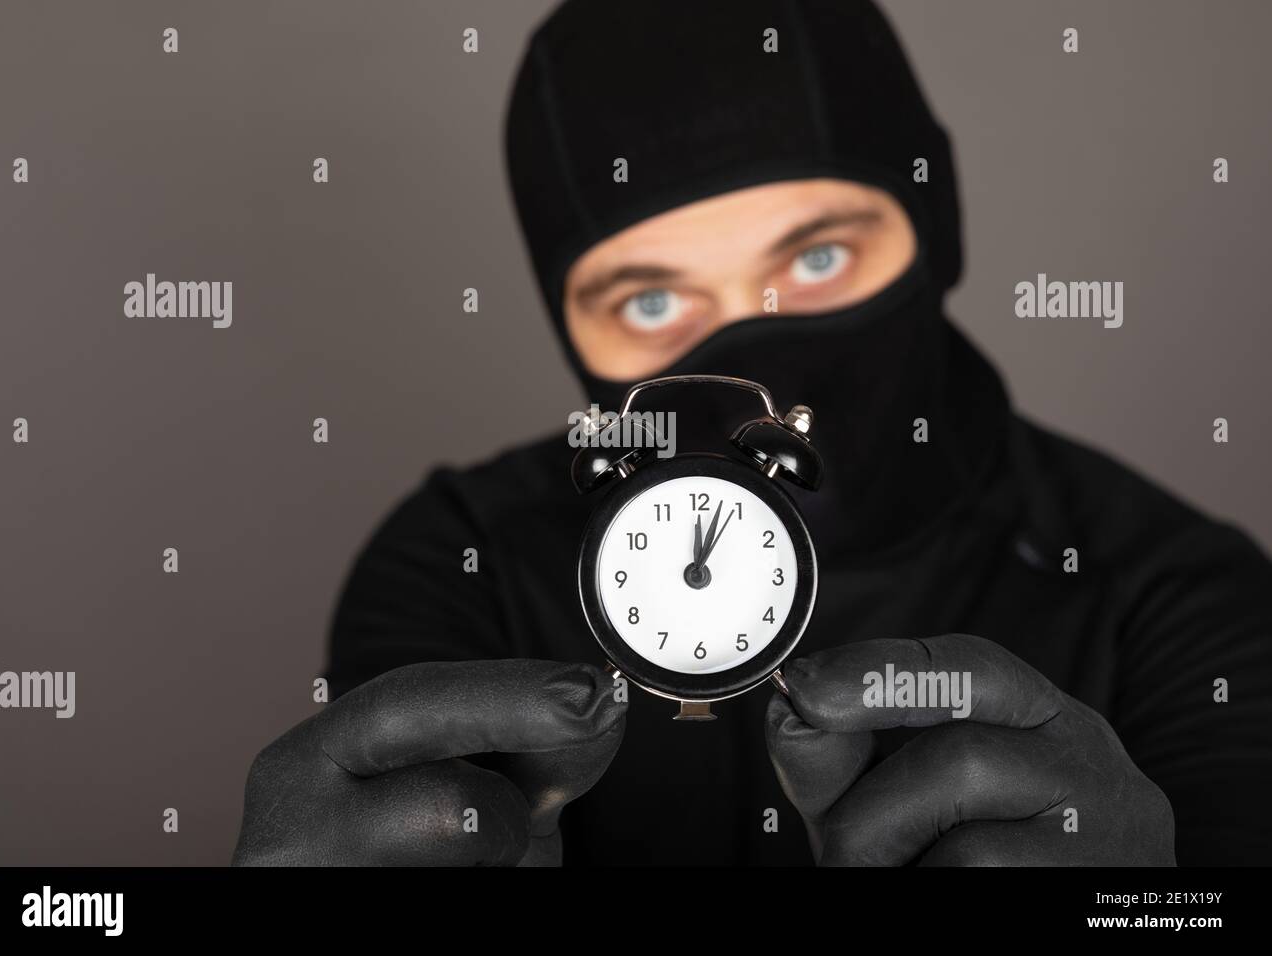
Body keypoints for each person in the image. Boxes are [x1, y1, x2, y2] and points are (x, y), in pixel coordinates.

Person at [231, 0, 1272, 866]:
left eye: (816, 260)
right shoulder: (458, 562)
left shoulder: (1173, 595)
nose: (756, 363)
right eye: (649, 303)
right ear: (569, 325)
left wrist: (1158, 897)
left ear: (935, 221)